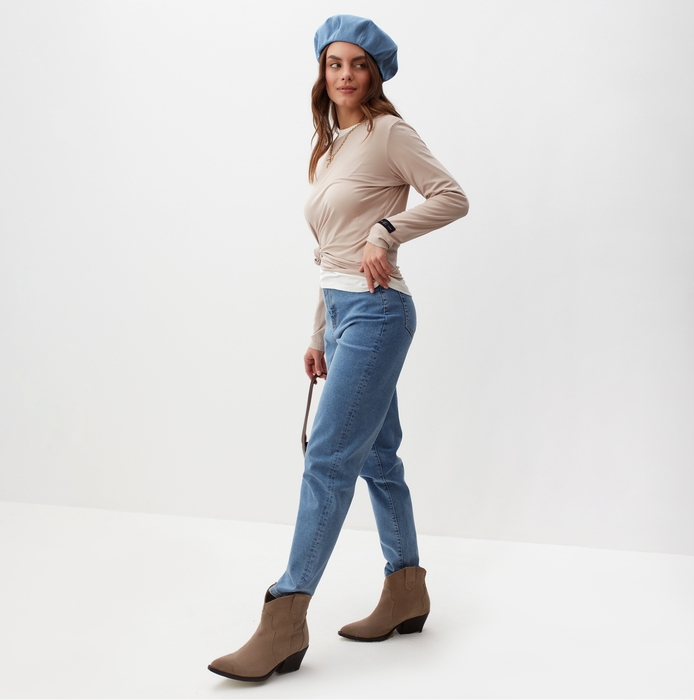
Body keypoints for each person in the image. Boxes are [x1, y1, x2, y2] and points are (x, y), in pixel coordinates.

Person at [208, 14, 468, 682]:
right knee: (377, 456)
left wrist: (388, 230)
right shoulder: (329, 149)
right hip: (344, 315)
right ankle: (406, 592)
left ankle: (284, 620)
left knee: (327, 459)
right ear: (322, 73)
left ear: (375, 73)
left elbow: (452, 197)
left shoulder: (389, 133)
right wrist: (318, 332)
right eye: (333, 64)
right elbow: (330, 254)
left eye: (357, 64)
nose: (345, 75)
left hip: (381, 313)